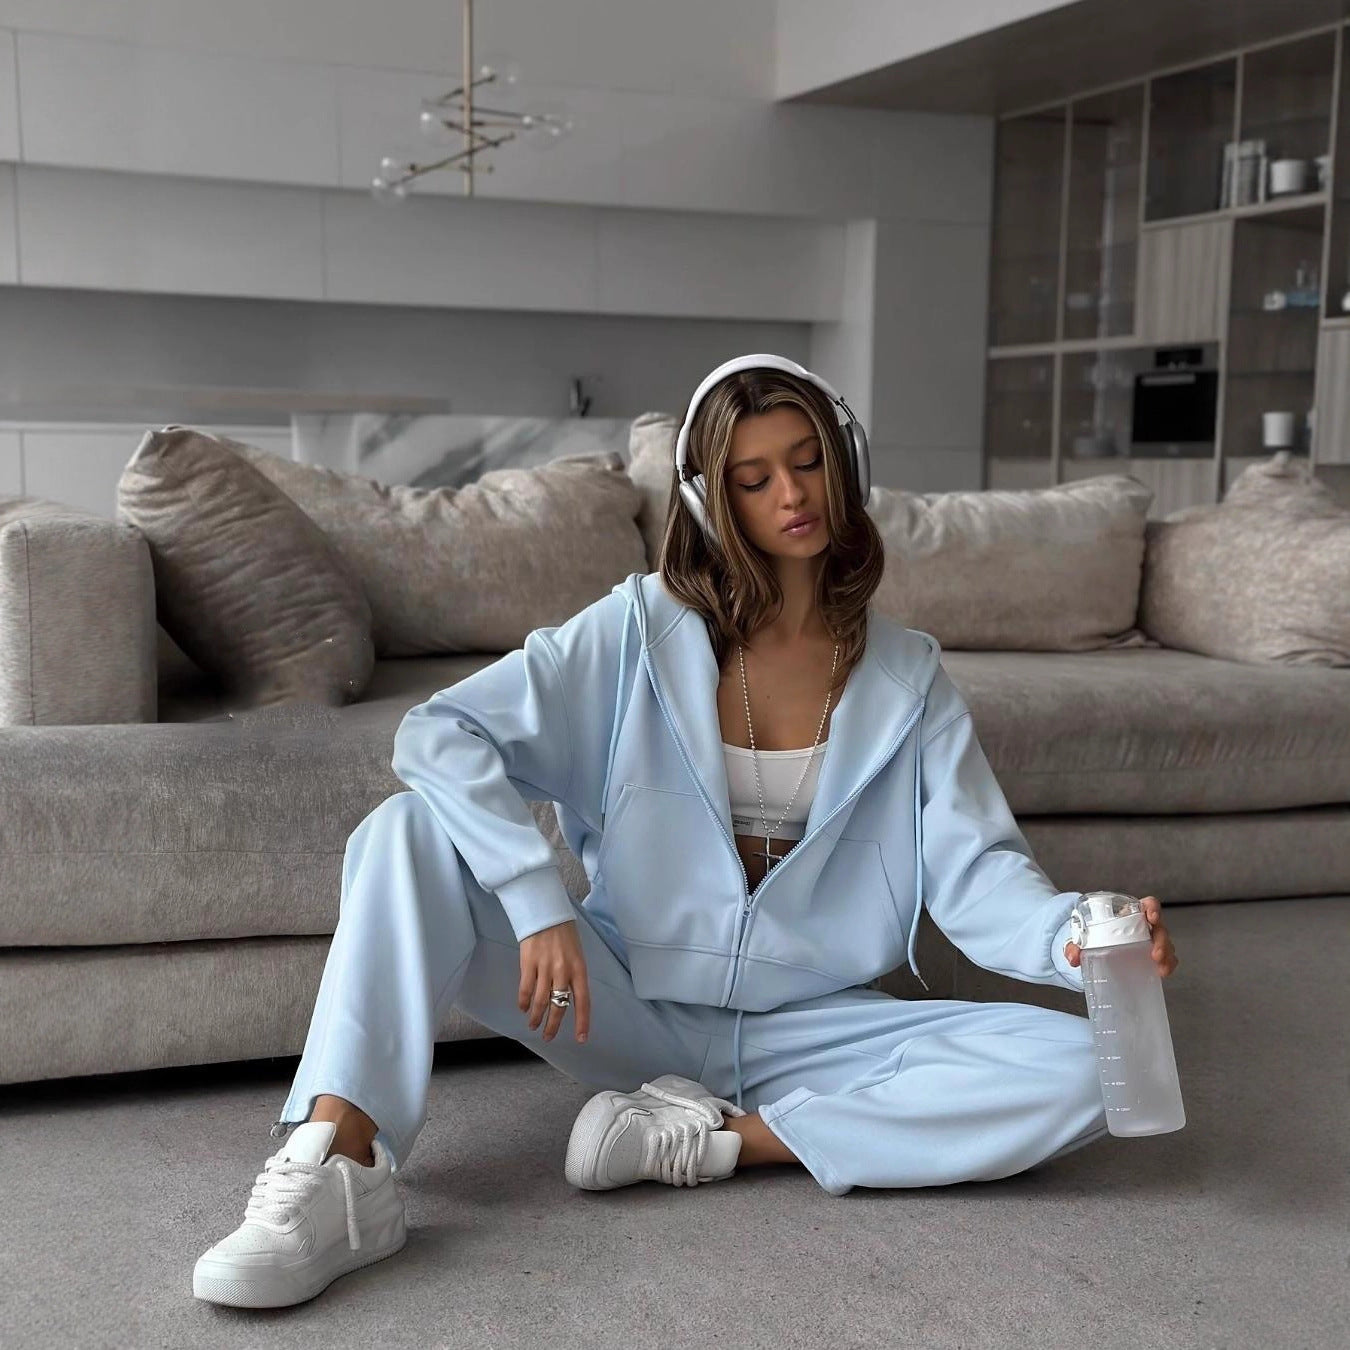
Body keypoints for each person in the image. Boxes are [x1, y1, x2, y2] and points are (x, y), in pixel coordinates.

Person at [193, 353, 1179, 1309]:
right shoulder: (636, 630)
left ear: (846, 465)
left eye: (809, 461)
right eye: (754, 479)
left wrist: (1069, 936)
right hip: (621, 1000)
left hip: (814, 1028)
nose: (792, 493)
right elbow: (440, 733)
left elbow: (976, 872)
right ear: (712, 502)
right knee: (406, 832)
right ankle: (341, 1167)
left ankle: (713, 1141)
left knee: (1094, 1067)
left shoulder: (910, 679)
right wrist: (538, 903)